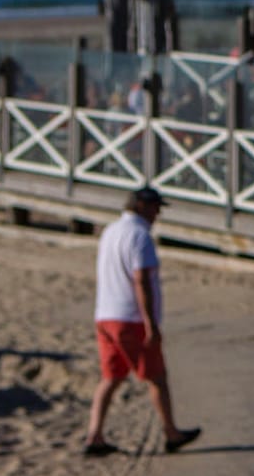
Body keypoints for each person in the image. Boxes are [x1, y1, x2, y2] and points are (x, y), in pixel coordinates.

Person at [84, 187, 201, 456]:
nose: (158, 213)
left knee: (111, 377)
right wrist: (151, 323)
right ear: (141, 206)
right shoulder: (140, 236)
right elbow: (142, 281)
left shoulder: (110, 231)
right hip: (130, 316)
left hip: (105, 313)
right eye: (155, 207)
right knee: (156, 377)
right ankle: (171, 432)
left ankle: (95, 434)